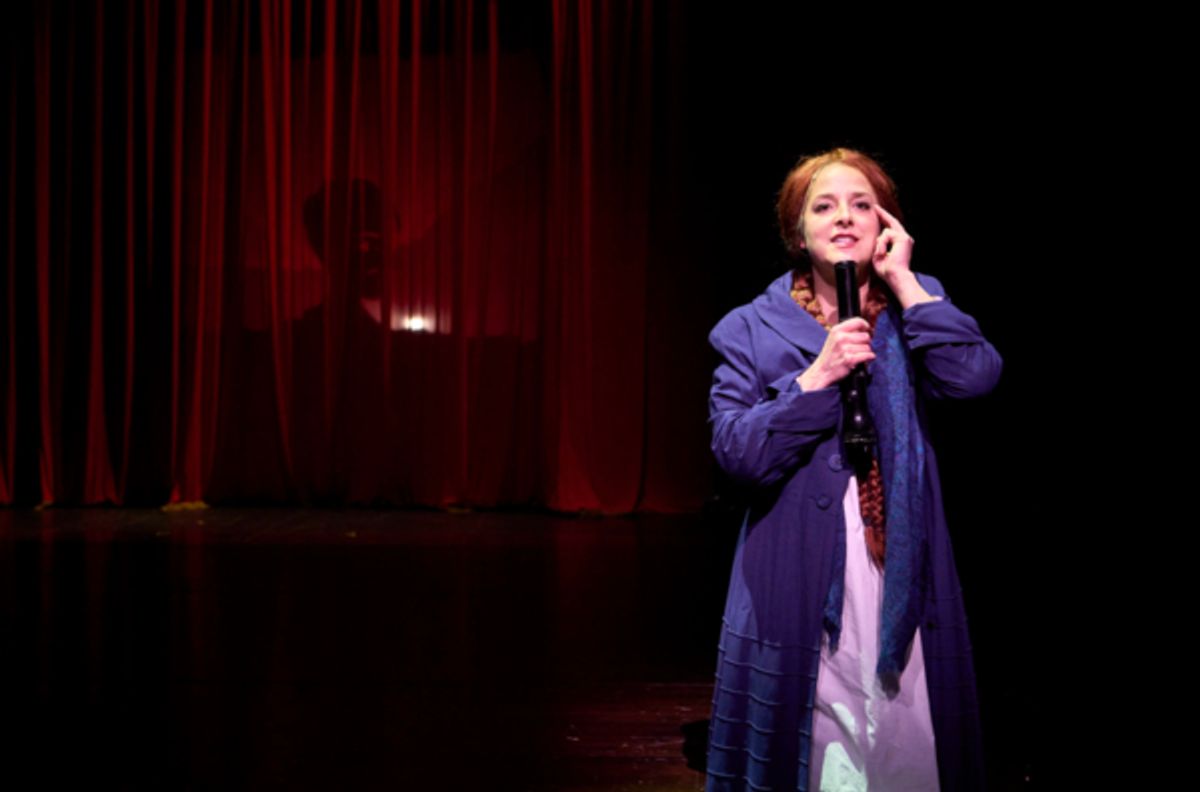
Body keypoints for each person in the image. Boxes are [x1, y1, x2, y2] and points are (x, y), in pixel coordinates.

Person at [703, 149, 1001, 792]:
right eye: (824, 205)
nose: (844, 217)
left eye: (862, 204)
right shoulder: (750, 329)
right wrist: (815, 379)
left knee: (904, 737)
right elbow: (735, 454)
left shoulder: (916, 308)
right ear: (796, 231)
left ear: (887, 223)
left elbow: (975, 379)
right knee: (813, 746)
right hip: (798, 571)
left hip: (899, 566)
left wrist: (907, 282)